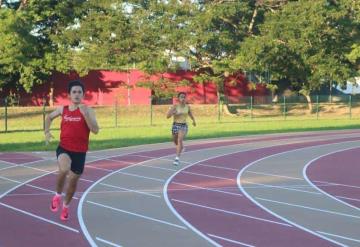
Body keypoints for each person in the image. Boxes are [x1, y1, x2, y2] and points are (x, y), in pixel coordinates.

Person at [44, 80, 99, 221]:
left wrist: (85, 114)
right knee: (63, 169)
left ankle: (66, 206)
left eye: (79, 92)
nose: (76, 94)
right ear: (69, 95)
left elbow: (95, 130)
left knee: (73, 183)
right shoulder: (64, 109)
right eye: (74, 92)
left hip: (80, 152)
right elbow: (48, 117)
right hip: (64, 148)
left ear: (83, 95)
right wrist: (47, 131)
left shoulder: (88, 110)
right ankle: (57, 195)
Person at [166, 92, 196, 166]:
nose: (183, 98)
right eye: (181, 97)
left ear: (185, 98)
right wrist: (173, 113)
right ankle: (181, 148)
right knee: (175, 140)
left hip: (183, 125)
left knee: (180, 140)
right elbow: (167, 116)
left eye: (184, 97)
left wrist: (193, 120)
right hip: (175, 125)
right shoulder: (175, 106)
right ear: (178, 98)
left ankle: (177, 158)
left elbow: (190, 114)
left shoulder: (187, 107)